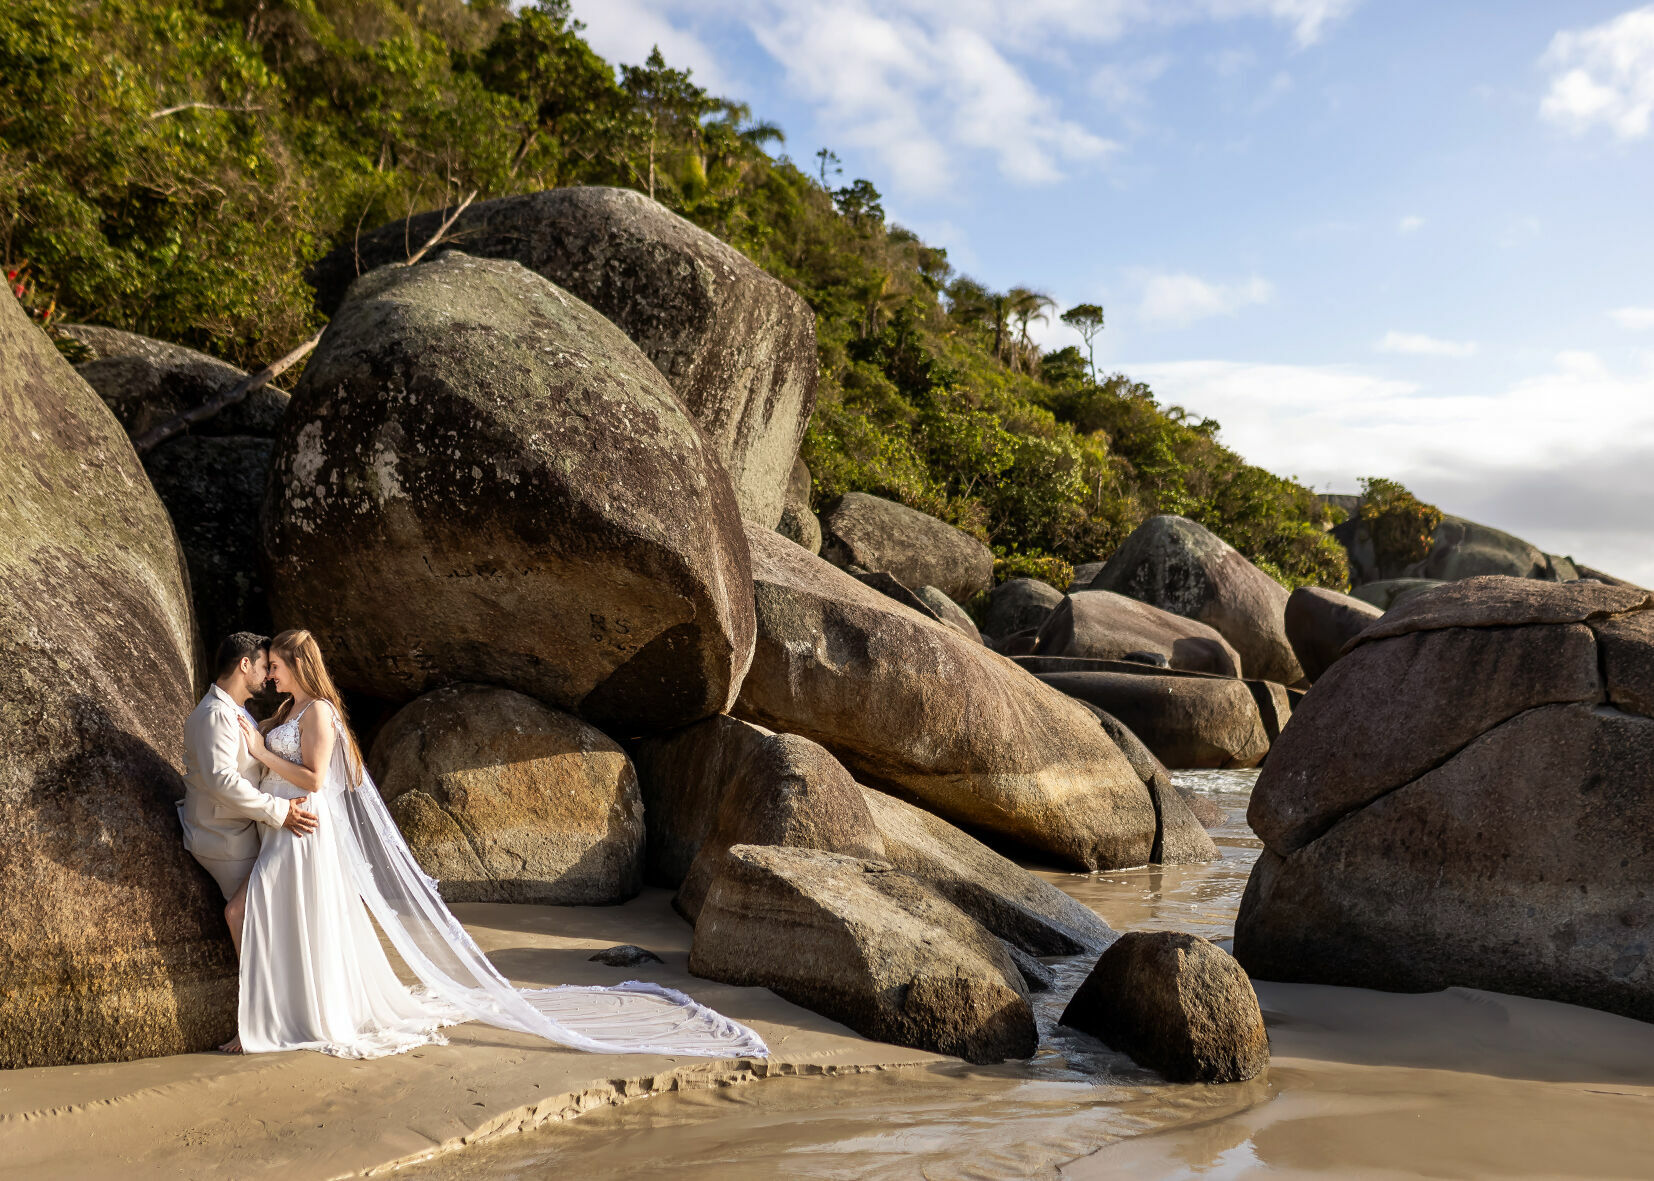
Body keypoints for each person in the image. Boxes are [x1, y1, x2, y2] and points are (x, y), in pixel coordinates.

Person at [228, 627, 768, 1060]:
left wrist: (261, 751)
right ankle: (291, 1012)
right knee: (291, 915)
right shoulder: (289, 711)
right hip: (285, 823)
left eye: (275, 665)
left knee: (289, 912)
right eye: (268, 666)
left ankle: (299, 1017)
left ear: (298, 664)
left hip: (305, 823)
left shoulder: (319, 712)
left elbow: (316, 777)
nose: (269, 673)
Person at [178, 632, 320, 1051]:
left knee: (268, 925)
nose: (268, 676)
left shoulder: (234, 711)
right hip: (228, 838)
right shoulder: (214, 715)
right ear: (244, 665)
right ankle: (257, 1025)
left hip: (248, 830)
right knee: (250, 924)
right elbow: (222, 782)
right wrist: (280, 812)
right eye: (263, 666)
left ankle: (284, 1015)